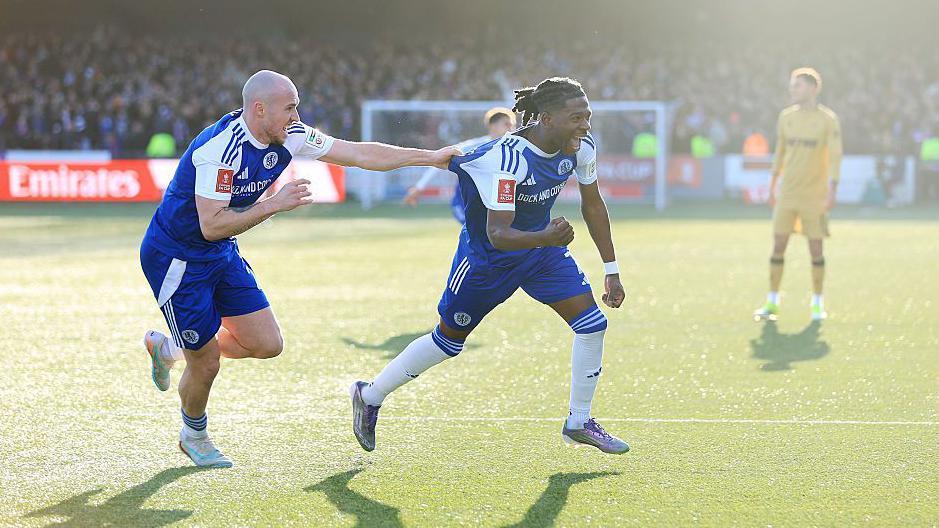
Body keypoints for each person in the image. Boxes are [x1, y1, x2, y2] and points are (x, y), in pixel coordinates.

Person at [140, 70, 458, 468]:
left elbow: (359, 154)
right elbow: (211, 225)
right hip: (178, 258)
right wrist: (275, 203)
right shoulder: (220, 150)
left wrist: (430, 157)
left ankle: (169, 348)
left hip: (220, 251)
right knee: (206, 361)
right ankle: (194, 434)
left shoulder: (290, 134)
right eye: (289, 108)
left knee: (266, 344)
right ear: (259, 109)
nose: (297, 116)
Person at [350, 77, 630, 454]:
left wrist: (611, 269)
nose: (585, 125)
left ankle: (578, 421)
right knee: (448, 342)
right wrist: (547, 236)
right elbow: (498, 233)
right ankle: (369, 395)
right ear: (547, 119)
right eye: (576, 118)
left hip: (540, 252)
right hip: (487, 260)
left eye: (588, 116)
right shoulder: (508, 158)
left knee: (592, 325)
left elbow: (593, 205)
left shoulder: (581, 146)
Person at [754, 68, 842, 322]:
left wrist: (833, 188)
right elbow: (780, 152)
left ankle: (817, 304)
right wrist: (772, 184)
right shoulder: (786, 117)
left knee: (816, 248)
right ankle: (772, 302)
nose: (792, 90)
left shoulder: (827, 120)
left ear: (813, 89)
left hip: (814, 196)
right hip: (788, 194)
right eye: (792, 85)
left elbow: (835, 156)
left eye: (798, 85)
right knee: (778, 244)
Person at [403, 107, 517, 223]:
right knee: (476, 230)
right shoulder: (475, 146)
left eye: (512, 125)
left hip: (491, 201)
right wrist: (419, 187)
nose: (511, 128)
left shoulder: (515, 149)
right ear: (493, 126)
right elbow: (440, 158)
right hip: (465, 200)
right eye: (506, 124)